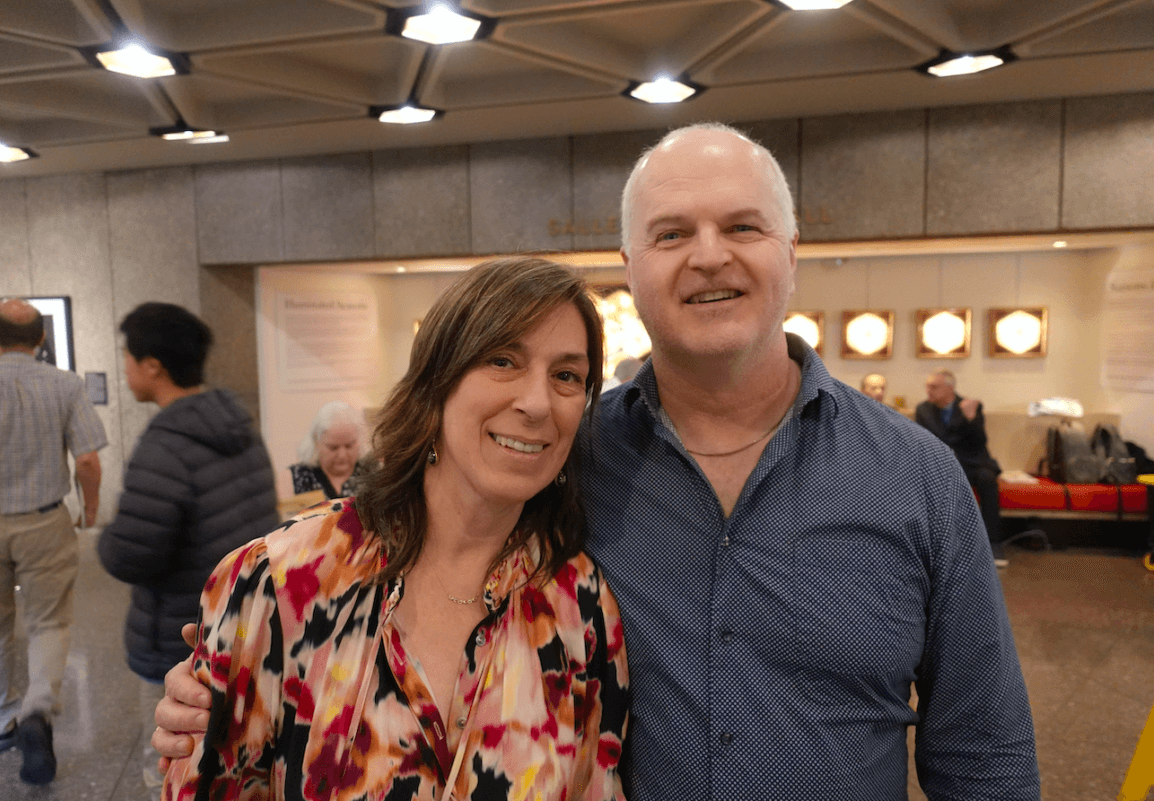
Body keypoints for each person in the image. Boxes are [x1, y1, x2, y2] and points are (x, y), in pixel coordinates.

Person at [155, 124, 1039, 799]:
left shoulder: (914, 478)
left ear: (791, 255)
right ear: (631, 267)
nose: (708, 254)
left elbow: (985, 752)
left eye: (742, 225)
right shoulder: (570, 459)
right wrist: (221, 680)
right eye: (671, 233)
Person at [159, 257, 628, 800]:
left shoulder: (578, 603)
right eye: (502, 361)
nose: (536, 402)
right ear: (437, 383)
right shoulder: (282, 580)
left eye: (567, 375)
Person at [96, 303, 280, 800]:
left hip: (179, 638)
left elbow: (132, 554)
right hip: (242, 628)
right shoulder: (238, 426)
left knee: (171, 767)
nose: (126, 368)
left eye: (128, 357)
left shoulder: (166, 443)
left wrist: (105, 538)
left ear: (153, 365)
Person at [0, 298, 107, 785]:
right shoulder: (66, 385)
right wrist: (91, 508)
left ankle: (0, 722)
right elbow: (87, 460)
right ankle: (37, 712)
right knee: (48, 622)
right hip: (44, 521)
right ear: (41, 338)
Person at [914, 369, 1007, 567]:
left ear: (950, 388)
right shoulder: (923, 409)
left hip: (973, 462)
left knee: (988, 480)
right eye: (928, 386)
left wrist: (971, 419)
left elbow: (980, 441)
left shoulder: (971, 406)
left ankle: (993, 544)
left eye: (934, 387)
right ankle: (943, 546)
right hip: (942, 464)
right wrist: (963, 421)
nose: (928, 390)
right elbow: (933, 439)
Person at [288, 401, 374, 498]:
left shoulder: (374, 473)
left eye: (349, 446)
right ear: (316, 442)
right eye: (333, 448)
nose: (342, 455)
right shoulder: (294, 478)